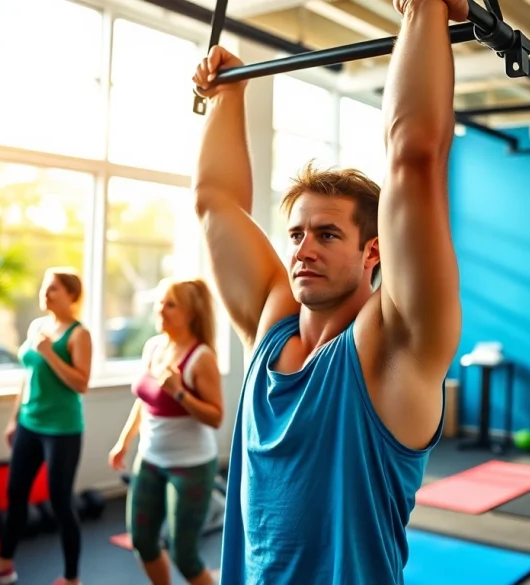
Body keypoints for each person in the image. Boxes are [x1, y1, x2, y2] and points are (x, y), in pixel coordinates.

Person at [190, 0, 467, 580]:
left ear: (373, 252)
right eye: (297, 234)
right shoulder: (270, 325)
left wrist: (424, 11)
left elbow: (413, 161)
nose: (303, 250)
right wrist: (227, 95)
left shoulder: (392, 350)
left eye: (327, 234)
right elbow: (215, 203)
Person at [0, 268, 93, 585]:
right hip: (29, 423)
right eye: (44, 287)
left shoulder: (79, 334)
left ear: (71, 295)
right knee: (15, 492)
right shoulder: (38, 327)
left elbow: (81, 384)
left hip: (62, 429)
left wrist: (50, 353)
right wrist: (14, 419)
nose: (45, 293)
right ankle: (3, 565)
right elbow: (28, 377)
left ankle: (72, 578)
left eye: (53, 289)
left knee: (60, 502)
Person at [109, 278, 223, 585]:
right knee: (142, 541)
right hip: (150, 459)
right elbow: (144, 402)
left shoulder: (201, 357)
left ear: (190, 313)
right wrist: (123, 442)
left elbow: (215, 417)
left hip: (191, 466)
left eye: (170, 304)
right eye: (159, 302)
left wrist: (179, 392)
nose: (160, 310)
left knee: (185, 556)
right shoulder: (154, 347)